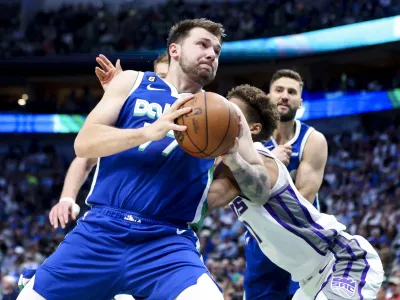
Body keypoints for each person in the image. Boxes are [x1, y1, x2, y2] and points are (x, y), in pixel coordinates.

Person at [18, 19, 268, 300]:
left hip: (167, 241)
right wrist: (147, 132)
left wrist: (235, 159)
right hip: (101, 230)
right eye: (203, 44)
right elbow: (83, 143)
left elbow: (260, 190)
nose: (212, 54)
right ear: (174, 50)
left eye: (217, 50)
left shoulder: (228, 116)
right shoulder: (131, 82)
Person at [207, 84, 384, 300]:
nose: (221, 116)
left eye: (232, 113)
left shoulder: (259, 160)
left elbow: (254, 191)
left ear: (252, 128)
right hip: (308, 282)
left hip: (343, 261)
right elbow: (204, 202)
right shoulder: (228, 168)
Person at [49, 52, 169, 230]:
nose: (165, 85)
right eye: (160, 78)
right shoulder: (129, 119)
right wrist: (67, 198)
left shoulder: (194, 120)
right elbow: (85, 156)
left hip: (163, 224)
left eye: (168, 79)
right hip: (109, 220)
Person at [244, 69, 328, 299]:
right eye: (279, 90)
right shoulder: (250, 139)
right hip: (261, 243)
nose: (284, 96)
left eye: (292, 92)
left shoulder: (313, 140)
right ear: (268, 96)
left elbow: (304, 199)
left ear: (300, 102)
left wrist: (271, 168)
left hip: (302, 240)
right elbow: (240, 190)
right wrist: (268, 164)